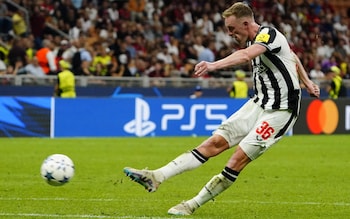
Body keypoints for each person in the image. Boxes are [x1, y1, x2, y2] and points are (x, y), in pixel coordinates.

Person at [123, 2, 320, 216]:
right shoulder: (258, 41)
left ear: (246, 23)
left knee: (237, 158)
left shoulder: (268, 35)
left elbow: (246, 56)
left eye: (232, 29)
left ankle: (191, 205)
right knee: (214, 142)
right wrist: (308, 83)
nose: (230, 34)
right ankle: (156, 176)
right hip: (259, 103)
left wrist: (212, 65)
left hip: (281, 111)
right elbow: (293, 56)